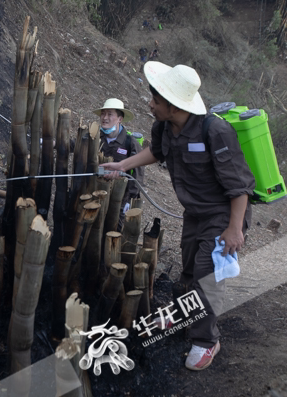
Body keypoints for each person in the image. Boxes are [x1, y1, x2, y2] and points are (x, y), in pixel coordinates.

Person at [101, 62, 256, 371]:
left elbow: (240, 187)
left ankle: (206, 340)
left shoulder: (215, 131)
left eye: (156, 100)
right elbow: (157, 153)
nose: (150, 104)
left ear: (174, 105)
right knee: (188, 269)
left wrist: (235, 229)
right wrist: (122, 165)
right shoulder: (163, 127)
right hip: (195, 213)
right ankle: (185, 313)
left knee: (206, 276)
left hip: (224, 214)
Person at [93, 98, 144, 229]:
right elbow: (75, 144)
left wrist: (130, 200)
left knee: (113, 229)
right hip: (96, 192)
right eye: (103, 114)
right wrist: (53, 143)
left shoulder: (130, 142)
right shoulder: (96, 136)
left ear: (120, 119)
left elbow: (137, 174)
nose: (104, 118)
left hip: (120, 198)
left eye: (110, 114)